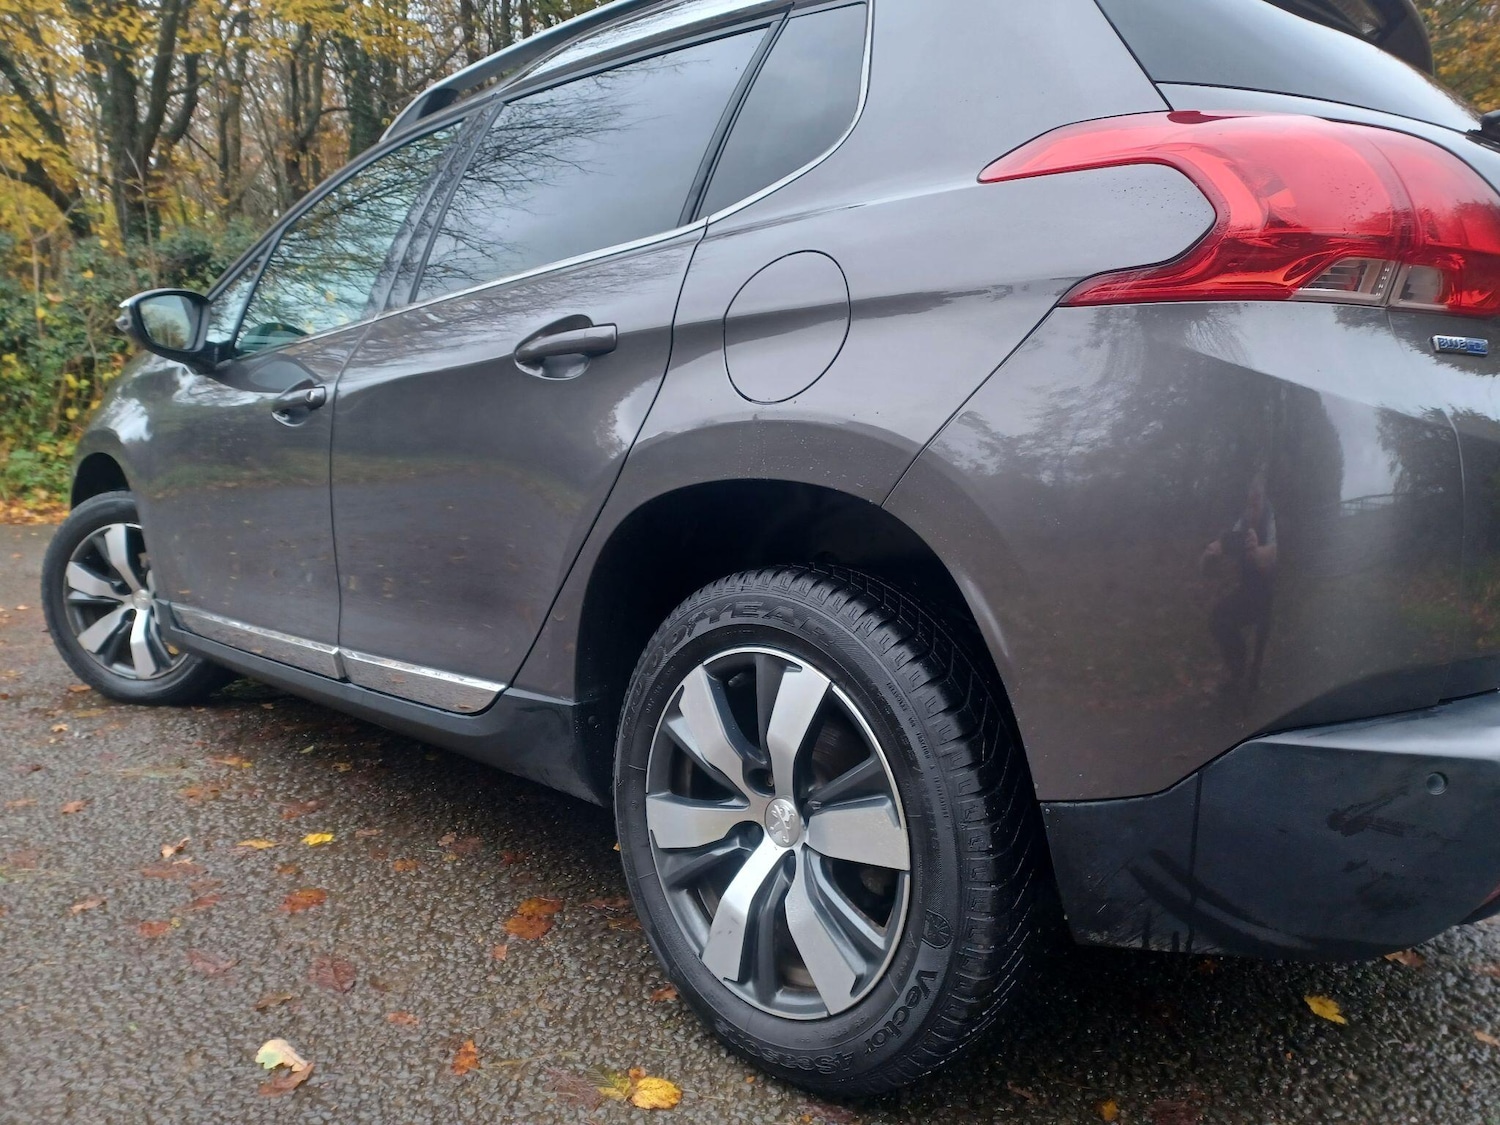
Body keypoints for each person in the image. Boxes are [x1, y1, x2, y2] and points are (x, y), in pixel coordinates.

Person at [1202, 477, 1277, 694]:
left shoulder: (1271, 519)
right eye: (1249, 501)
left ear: (1264, 499)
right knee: (1219, 617)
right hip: (1247, 590)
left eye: (1257, 501)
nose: (1253, 507)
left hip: (1268, 594)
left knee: (1259, 633)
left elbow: (1273, 555)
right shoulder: (1243, 522)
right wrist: (1214, 550)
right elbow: (1226, 544)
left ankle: (1250, 676)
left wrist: (1257, 552)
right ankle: (1237, 667)